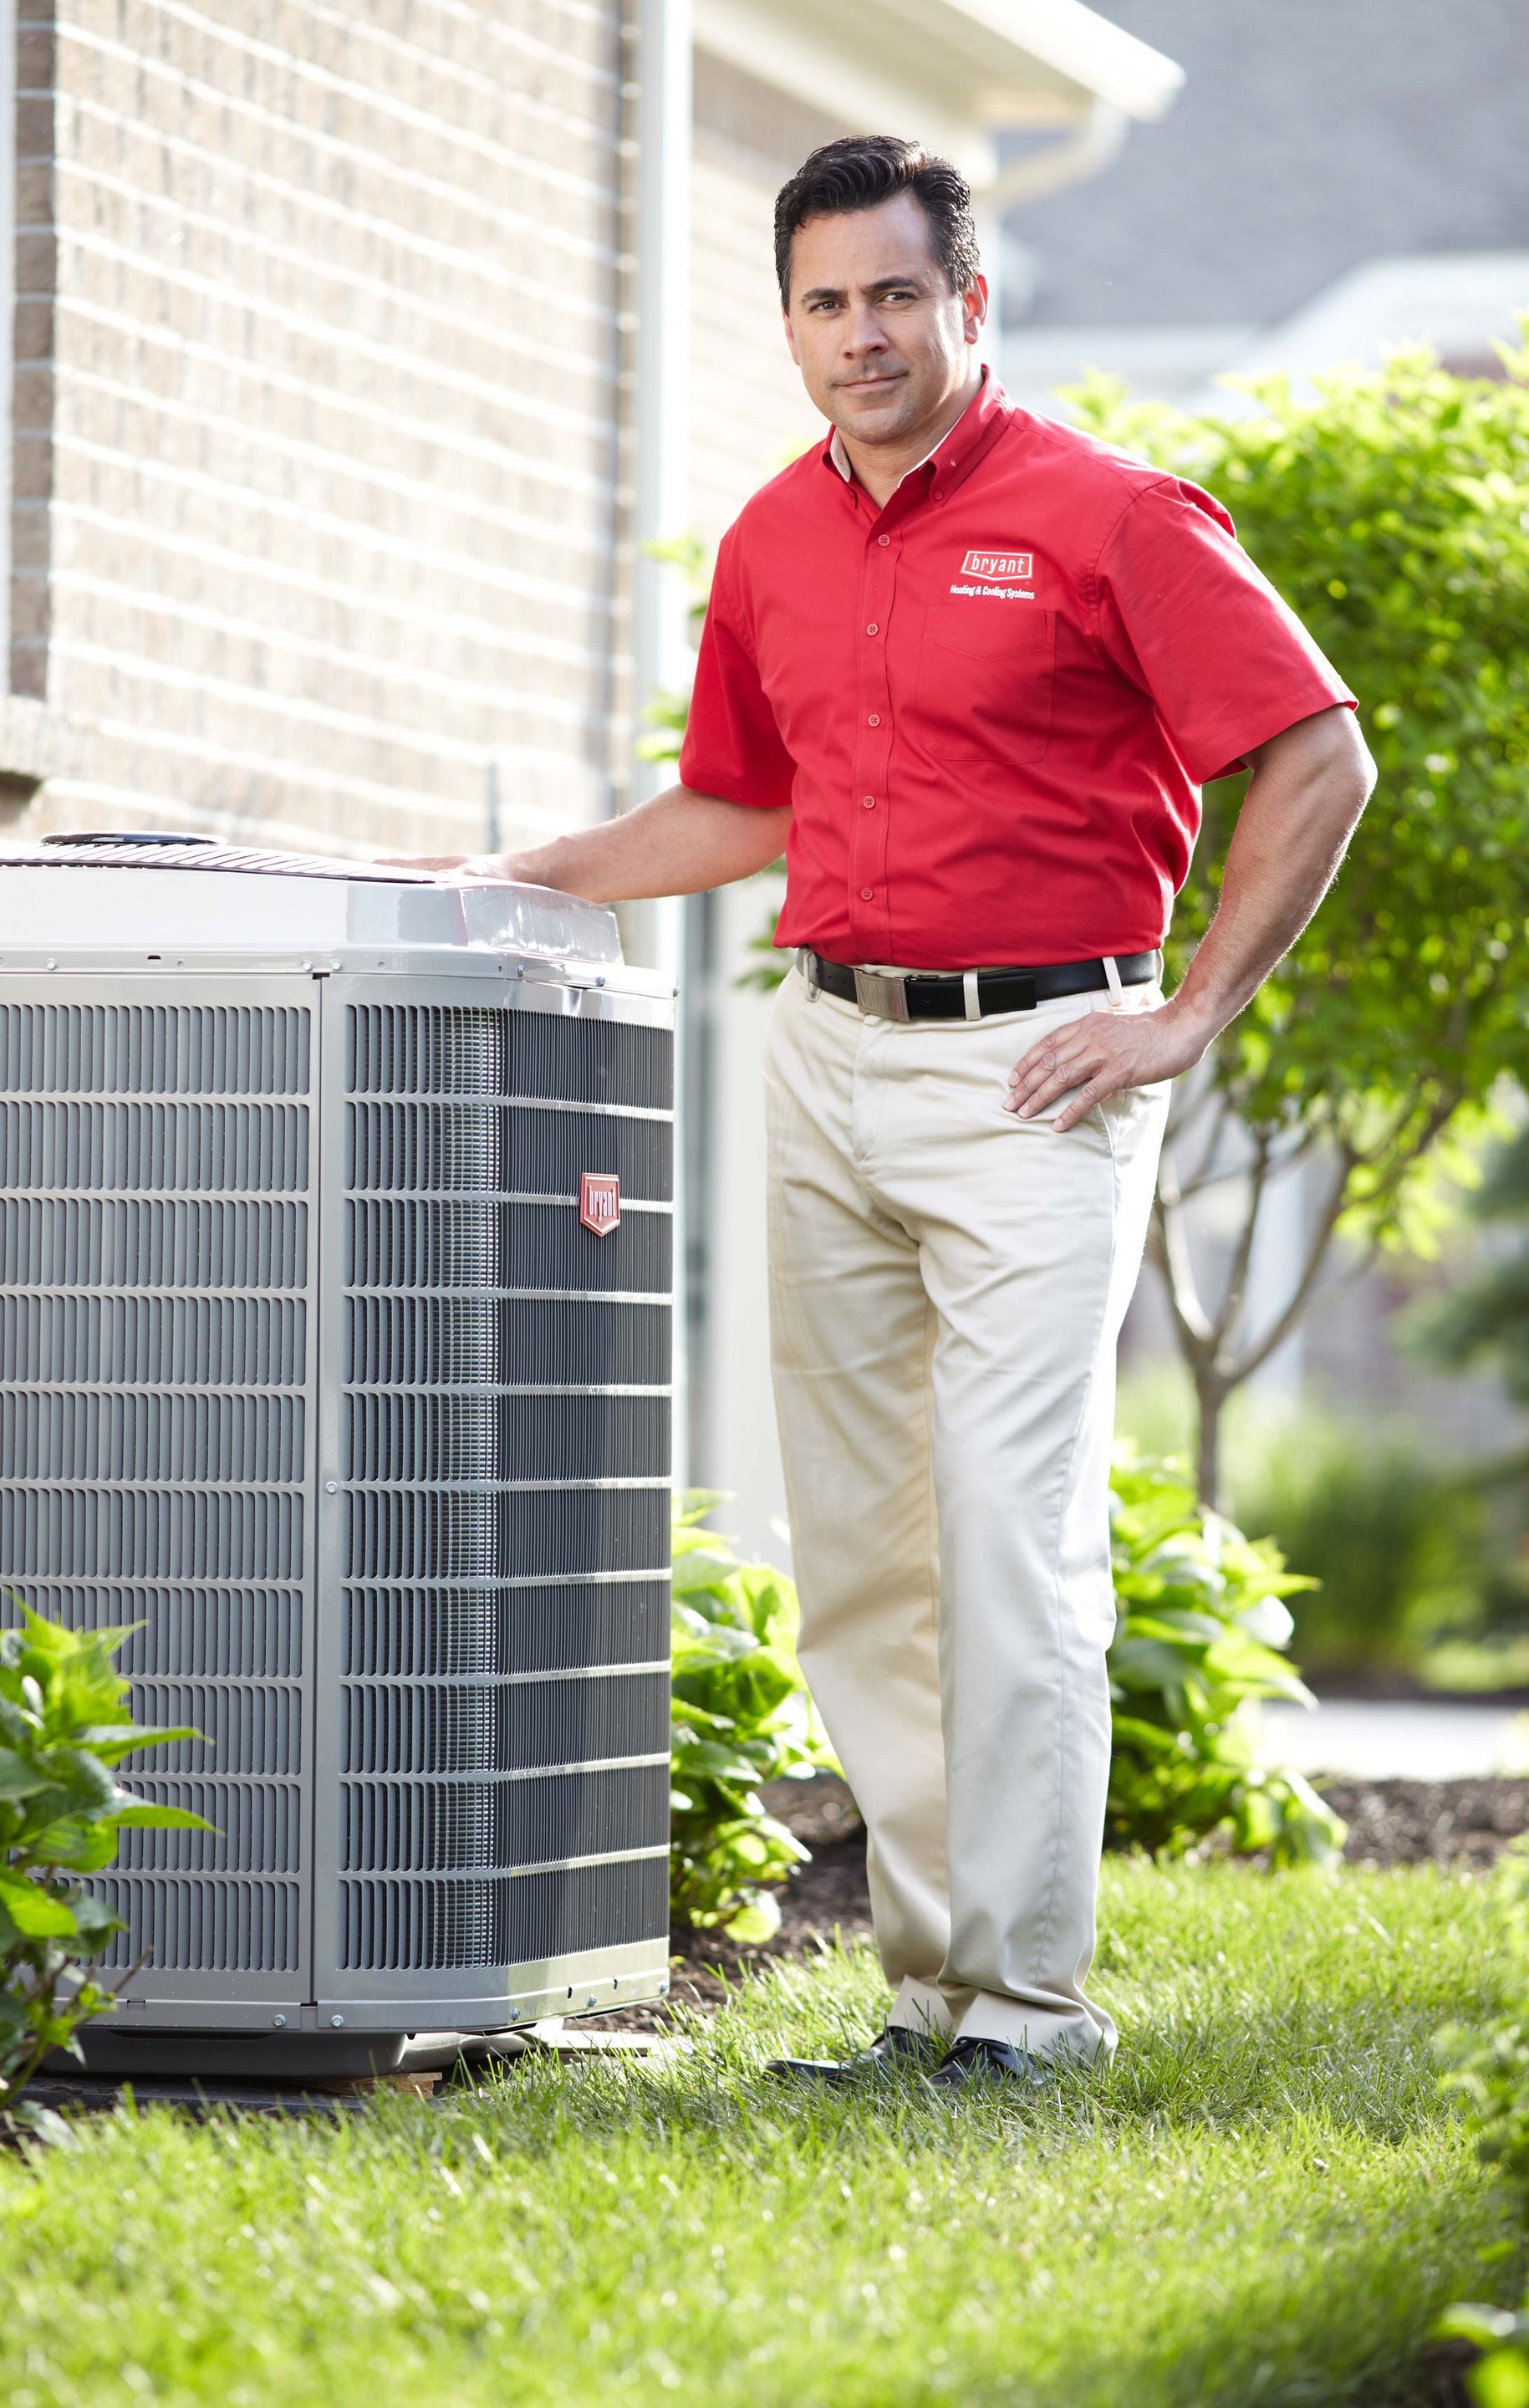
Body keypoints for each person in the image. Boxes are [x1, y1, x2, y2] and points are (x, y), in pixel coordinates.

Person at [397, 135, 1374, 2090]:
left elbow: (1316, 755)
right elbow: (745, 805)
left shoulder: (1113, 518)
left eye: (896, 295)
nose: (862, 335)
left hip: (1040, 1074)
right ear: (790, 321)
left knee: (1009, 1544)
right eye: (827, 302)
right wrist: (520, 879)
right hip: (827, 1060)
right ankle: (933, 1994)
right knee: (858, 1555)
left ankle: (1031, 2011)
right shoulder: (772, 539)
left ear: (970, 301)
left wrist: (1189, 1013)